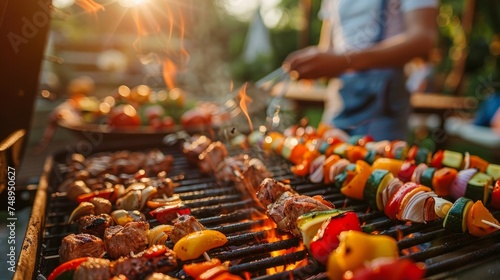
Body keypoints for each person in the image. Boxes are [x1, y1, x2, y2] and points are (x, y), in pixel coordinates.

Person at [283, 0, 438, 141]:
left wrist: (343, 62)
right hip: (340, 94)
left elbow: (422, 38)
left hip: (383, 99)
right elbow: (329, 48)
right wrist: (313, 64)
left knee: (377, 166)